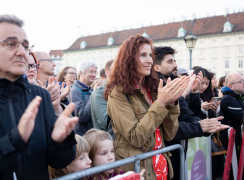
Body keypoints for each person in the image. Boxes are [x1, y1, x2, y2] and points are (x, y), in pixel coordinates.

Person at [0, 14, 78, 180]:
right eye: (11, 44)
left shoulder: (40, 96)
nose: (22, 52)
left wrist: (61, 142)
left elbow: (59, 163)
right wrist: (14, 142)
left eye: (25, 46)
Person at [105, 35, 190, 180]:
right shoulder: (117, 93)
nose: (150, 60)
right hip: (139, 170)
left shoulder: (153, 88)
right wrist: (161, 103)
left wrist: (173, 103)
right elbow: (136, 137)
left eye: (150, 55)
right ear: (129, 59)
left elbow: (169, 134)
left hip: (161, 167)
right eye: (143, 55)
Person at [153, 46, 228, 180]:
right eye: (170, 62)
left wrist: (205, 125)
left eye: (174, 61)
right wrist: (200, 127)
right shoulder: (153, 89)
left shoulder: (173, 85)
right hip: (160, 152)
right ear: (157, 67)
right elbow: (166, 126)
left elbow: (187, 113)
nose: (175, 65)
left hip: (174, 152)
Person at [189, 68, 225, 179]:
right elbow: (190, 116)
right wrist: (202, 109)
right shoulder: (188, 95)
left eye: (207, 84)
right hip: (194, 140)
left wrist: (215, 109)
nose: (203, 86)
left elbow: (212, 117)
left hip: (207, 139)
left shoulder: (209, 94)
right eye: (202, 83)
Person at [67, 60, 102, 135]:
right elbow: (82, 117)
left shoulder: (90, 89)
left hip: (93, 135)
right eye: (91, 71)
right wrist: (94, 95)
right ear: (81, 73)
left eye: (95, 72)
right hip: (83, 138)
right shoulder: (74, 91)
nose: (94, 75)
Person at [220, 73, 244, 179]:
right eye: (240, 82)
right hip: (234, 142)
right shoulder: (227, 99)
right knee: (235, 171)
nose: (243, 84)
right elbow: (242, 117)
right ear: (231, 86)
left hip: (239, 140)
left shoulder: (238, 97)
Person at [90, 60, 114, 131]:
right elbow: (105, 122)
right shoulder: (99, 92)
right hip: (108, 138)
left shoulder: (123, 89)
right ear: (107, 72)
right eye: (117, 69)